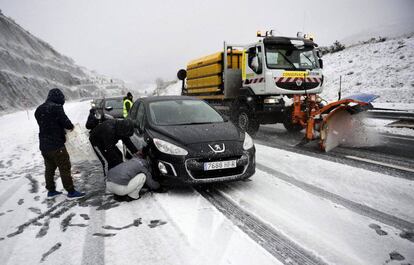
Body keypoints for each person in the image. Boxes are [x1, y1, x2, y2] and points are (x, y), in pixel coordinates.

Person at [34, 88, 86, 199]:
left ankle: (51, 191)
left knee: (49, 169)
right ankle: (71, 192)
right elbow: (66, 123)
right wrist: (71, 127)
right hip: (57, 145)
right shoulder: (56, 108)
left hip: (44, 146)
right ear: (58, 98)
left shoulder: (38, 109)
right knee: (64, 167)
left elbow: (47, 124)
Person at [89, 119, 163, 192]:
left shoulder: (122, 128)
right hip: (97, 142)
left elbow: (127, 141)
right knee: (106, 161)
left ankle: (117, 176)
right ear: (123, 130)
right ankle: (108, 182)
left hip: (108, 142)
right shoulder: (109, 130)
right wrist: (119, 164)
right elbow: (109, 148)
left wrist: (136, 152)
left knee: (118, 155)